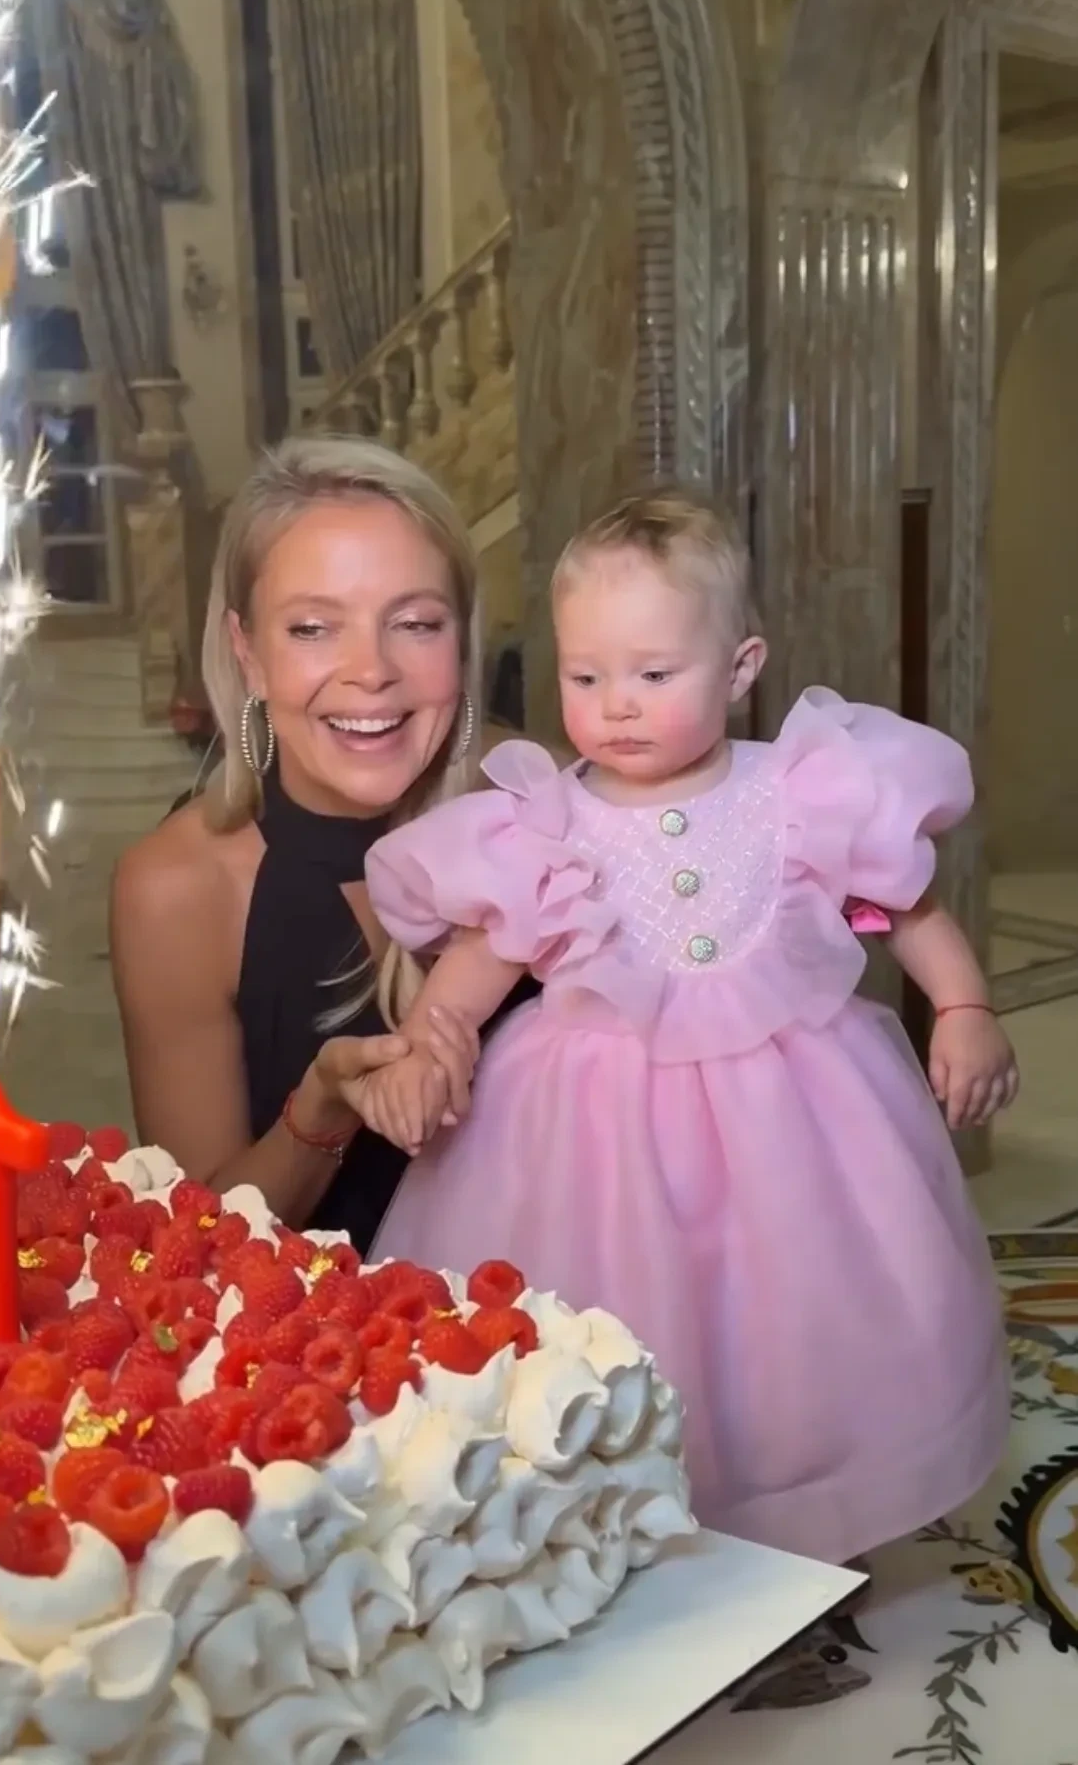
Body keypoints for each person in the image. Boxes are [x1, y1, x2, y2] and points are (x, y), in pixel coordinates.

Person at [357, 490, 1017, 1569]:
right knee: (617, 1324)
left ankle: (806, 1516)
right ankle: (618, 1531)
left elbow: (905, 906)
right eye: (585, 678)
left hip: (791, 1119)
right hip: (593, 1136)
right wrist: (433, 1043)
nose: (616, 705)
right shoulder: (548, 823)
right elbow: (482, 962)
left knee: (787, 1320)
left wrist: (966, 1007)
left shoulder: (800, 792)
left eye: (654, 675)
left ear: (740, 667)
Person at [109, 435, 489, 1251]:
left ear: (461, 640)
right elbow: (194, 1251)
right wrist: (321, 1112)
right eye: (314, 628)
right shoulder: (179, 888)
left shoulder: (547, 807)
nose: (371, 670)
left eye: (416, 623)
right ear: (247, 653)